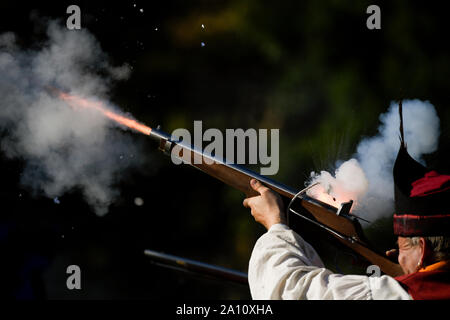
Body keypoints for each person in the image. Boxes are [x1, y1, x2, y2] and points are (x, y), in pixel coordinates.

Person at [243, 107, 450, 300]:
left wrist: (276, 225)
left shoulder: (406, 293)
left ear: (422, 251)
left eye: (402, 247)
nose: (397, 256)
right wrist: (382, 266)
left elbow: (293, 290)